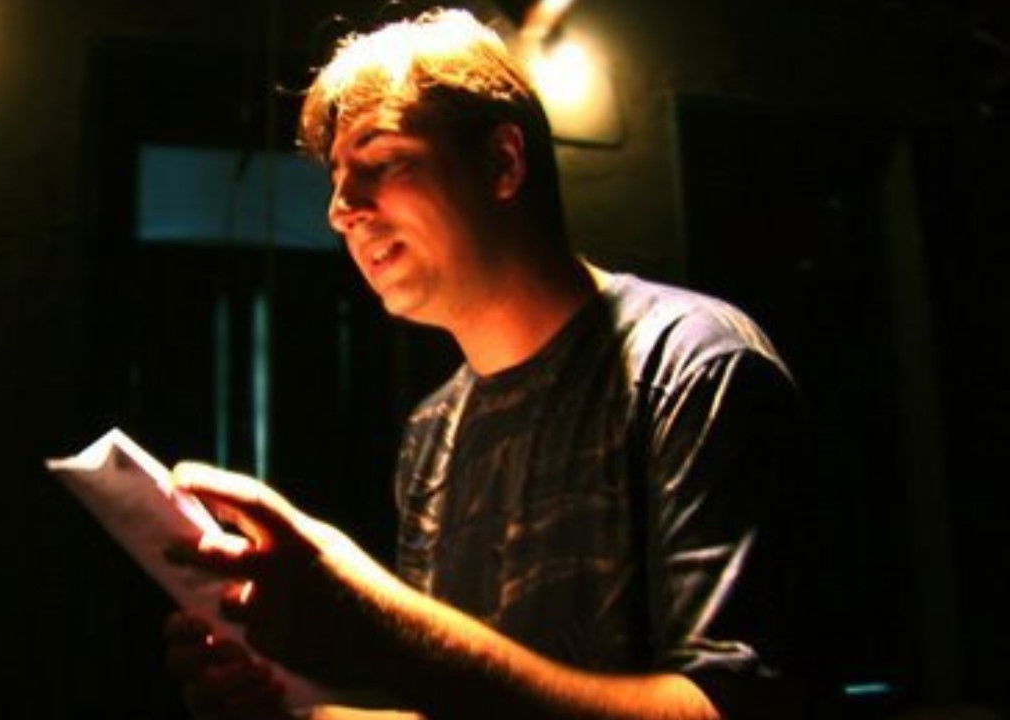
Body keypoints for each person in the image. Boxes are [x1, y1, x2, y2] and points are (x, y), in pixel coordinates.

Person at [164, 8, 813, 719]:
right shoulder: (432, 433)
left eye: (383, 160)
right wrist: (296, 711)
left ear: (503, 163)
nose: (340, 210)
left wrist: (384, 631)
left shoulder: (692, 368)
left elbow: (732, 706)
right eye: (337, 178)